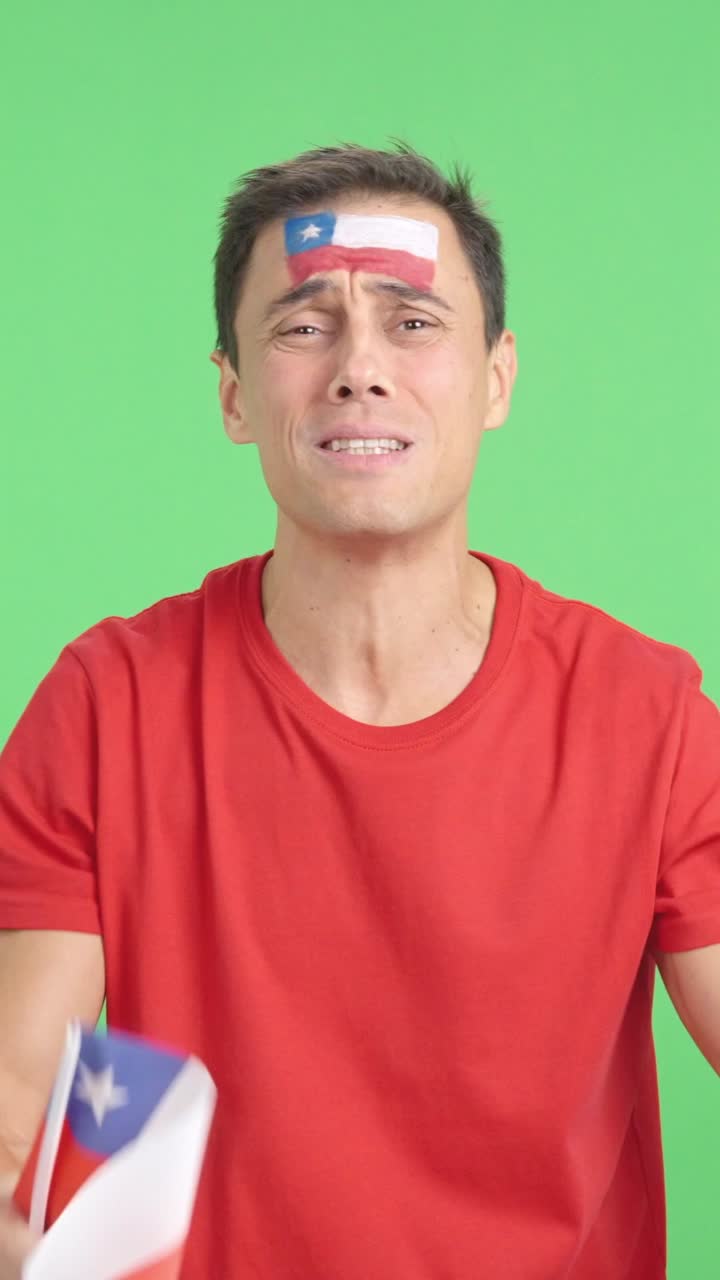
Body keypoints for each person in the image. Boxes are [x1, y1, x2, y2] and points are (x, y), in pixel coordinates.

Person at [1, 139, 719, 1280]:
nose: (358, 367)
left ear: (497, 378)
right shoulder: (106, 705)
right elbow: (22, 1093)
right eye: (302, 325)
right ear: (235, 393)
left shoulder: (651, 715)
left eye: (415, 320)